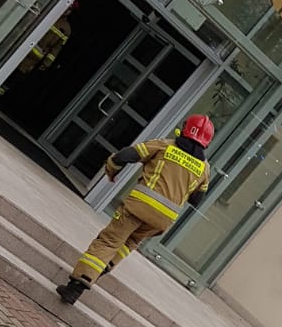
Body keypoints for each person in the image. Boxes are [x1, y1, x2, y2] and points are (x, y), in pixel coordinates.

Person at [57, 114, 213, 306]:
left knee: (109, 242)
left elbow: (124, 156)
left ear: (184, 129)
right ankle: (99, 271)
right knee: (128, 244)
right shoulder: (205, 169)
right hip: (162, 220)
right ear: (206, 142)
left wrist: (111, 169)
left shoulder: (164, 145)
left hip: (138, 207)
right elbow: (197, 200)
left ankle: (76, 287)